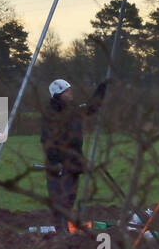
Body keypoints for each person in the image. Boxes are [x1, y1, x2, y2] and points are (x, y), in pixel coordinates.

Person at [40, 78, 108, 232]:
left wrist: (102, 89)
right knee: (60, 202)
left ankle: (64, 233)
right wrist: (55, 161)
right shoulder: (51, 115)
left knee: (69, 200)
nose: (71, 93)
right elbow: (47, 140)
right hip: (59, 165)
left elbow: (91, 108)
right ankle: (62, 235)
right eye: (67, 91)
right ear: (59, 94)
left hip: (74, 163)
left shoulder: (73, 110)